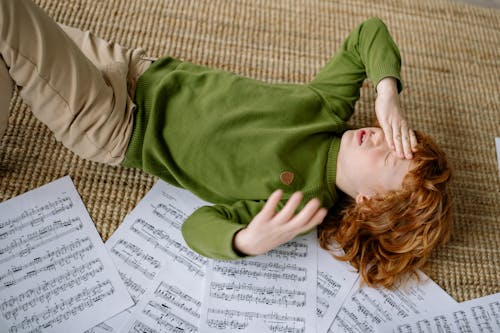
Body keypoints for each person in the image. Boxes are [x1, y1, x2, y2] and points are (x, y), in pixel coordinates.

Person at [0, 0, 452, 288]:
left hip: (115, 121)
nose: (382, 136)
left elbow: (198, 226)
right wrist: (387, 92)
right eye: (398, 135)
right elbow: (366, 34)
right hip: (138, 68)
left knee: (9, 18)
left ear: (371, 202)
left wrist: (244, 240)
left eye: (391, 155)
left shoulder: (298, 203)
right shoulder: (328, 107)